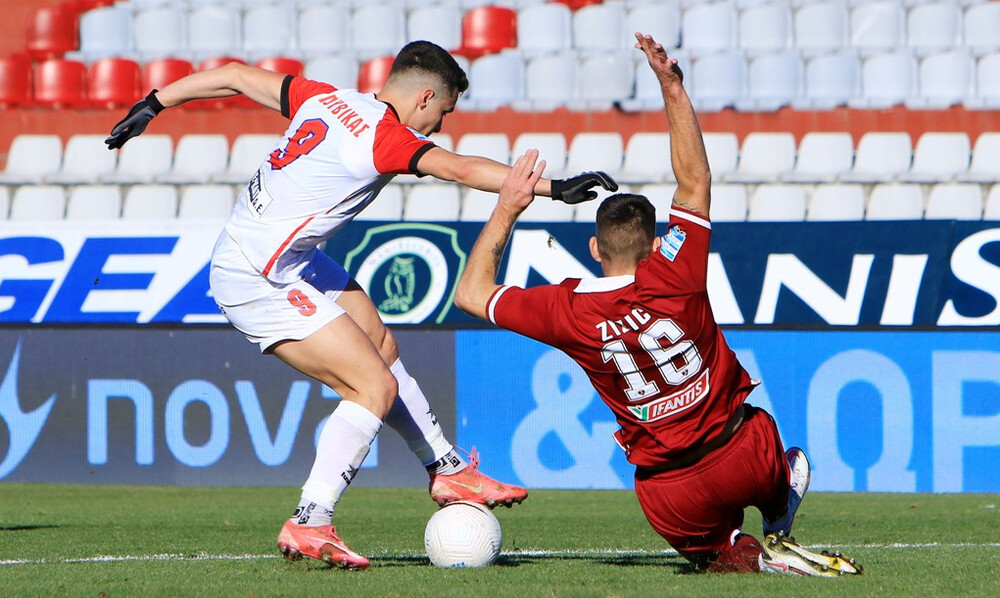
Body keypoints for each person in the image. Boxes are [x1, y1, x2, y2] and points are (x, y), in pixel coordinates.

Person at [105, 41, 616, 570]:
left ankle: (447, 466)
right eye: (443, 111)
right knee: (374, 386)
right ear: (424, 97)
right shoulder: (384, 136)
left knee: (380, 342)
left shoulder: (323, 98)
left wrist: (154, 103)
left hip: (279, 255)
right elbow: (460, 169)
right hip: (257, 274)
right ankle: (311, 519)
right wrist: (555, 189)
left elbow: (234, 74)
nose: (438, 125)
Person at [454, 34, 862, 577]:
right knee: (770, 436)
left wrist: (508, 204)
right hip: (743, 452)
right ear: (653, 244)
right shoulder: (677, 269)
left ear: (595, 248)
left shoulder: (566, 310)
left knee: (716, 559)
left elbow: (470, 294)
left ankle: (744, 556)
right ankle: (779, 508)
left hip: (671, 492)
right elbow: (695, 179)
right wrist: (671, 83)